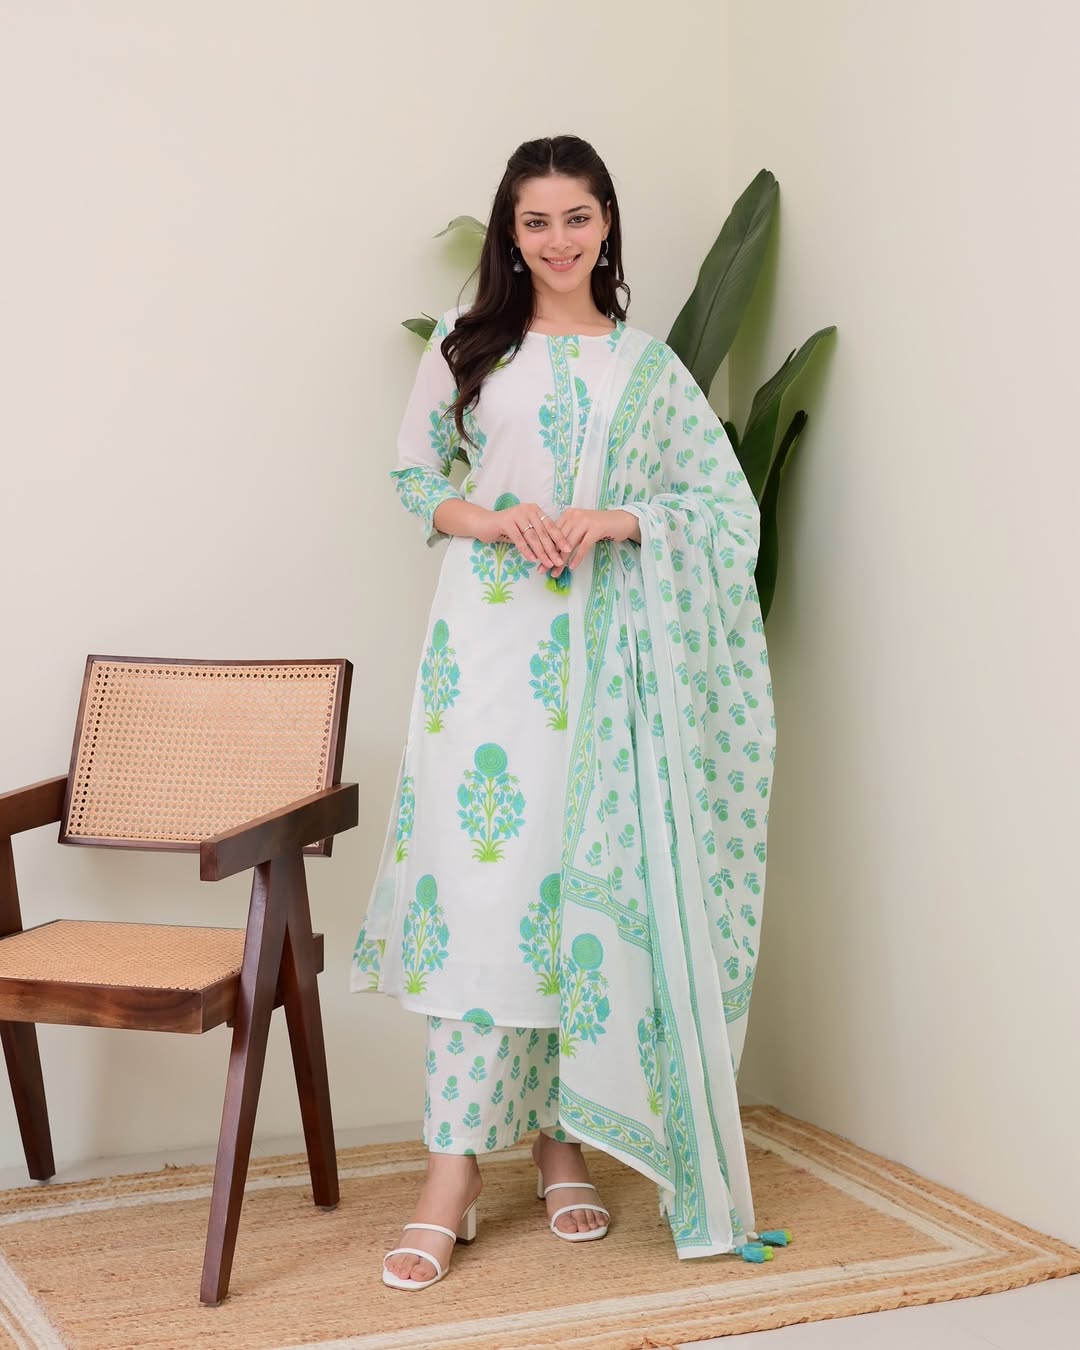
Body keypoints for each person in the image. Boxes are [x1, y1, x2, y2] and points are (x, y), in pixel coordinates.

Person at [352, 135, 775, 1291]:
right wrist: (497, 520)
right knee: (482, 894)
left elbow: (720, 509)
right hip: (485, 657)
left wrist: (615, 521)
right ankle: (450, 1175)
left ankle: (559, 1143)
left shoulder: (646, 367)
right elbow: (414, 479)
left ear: (606, 224)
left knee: (561, 895)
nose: (557, 240)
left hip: (605, 663)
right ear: (511, 230)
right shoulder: (468, 344)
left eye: (576, 217)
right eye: (534, 221)